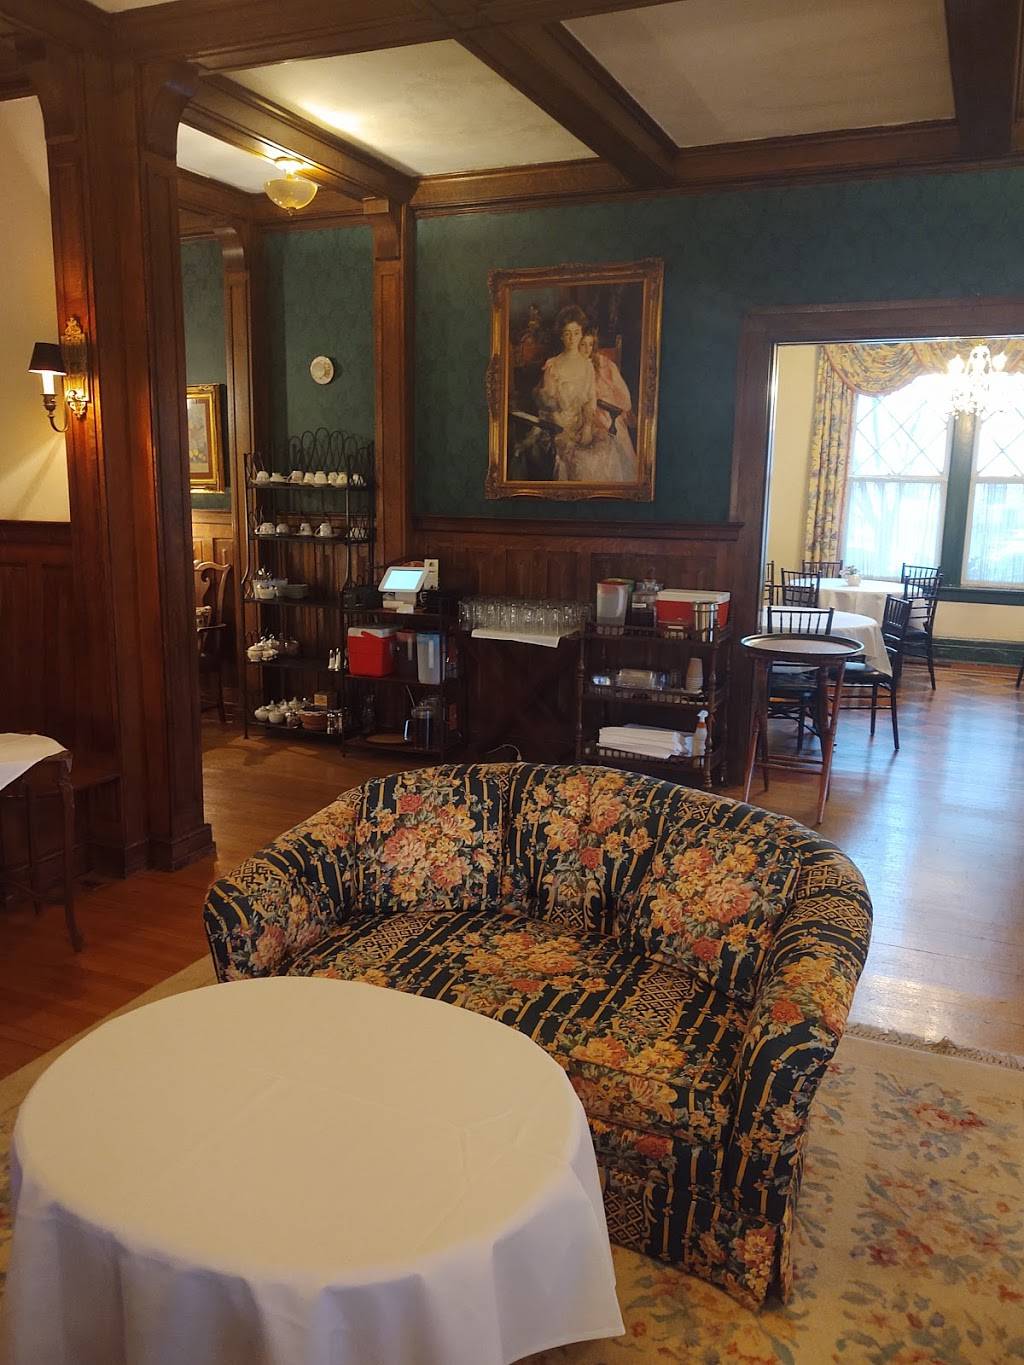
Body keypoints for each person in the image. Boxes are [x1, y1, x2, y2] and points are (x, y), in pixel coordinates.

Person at [580, 325, 637, 482]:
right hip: (580, 411)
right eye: (583, 344)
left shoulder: (604, 364)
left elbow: (624, 398)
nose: (587, 349)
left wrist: (603, 399)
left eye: (590, 344)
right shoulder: (573, 365)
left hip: (605, 412)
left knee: (610, 433)